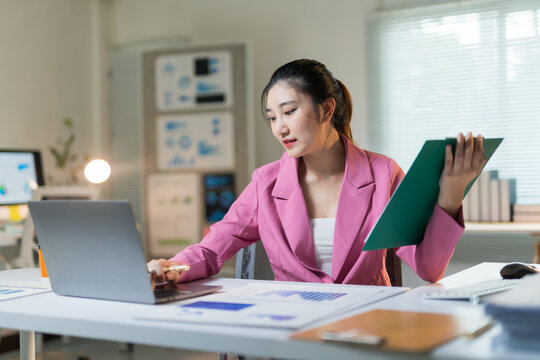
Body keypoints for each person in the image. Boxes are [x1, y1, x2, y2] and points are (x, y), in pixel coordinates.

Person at [147, 59, 486, 287]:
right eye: (272, 118)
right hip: (293, 330)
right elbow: (211, 251)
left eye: (289, 112)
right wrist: (172, 268)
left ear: (327, 109)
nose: (280, 127)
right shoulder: (266, 183)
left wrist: (452, 192)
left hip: (367, 329)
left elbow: (428, 268)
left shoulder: (383, 174)